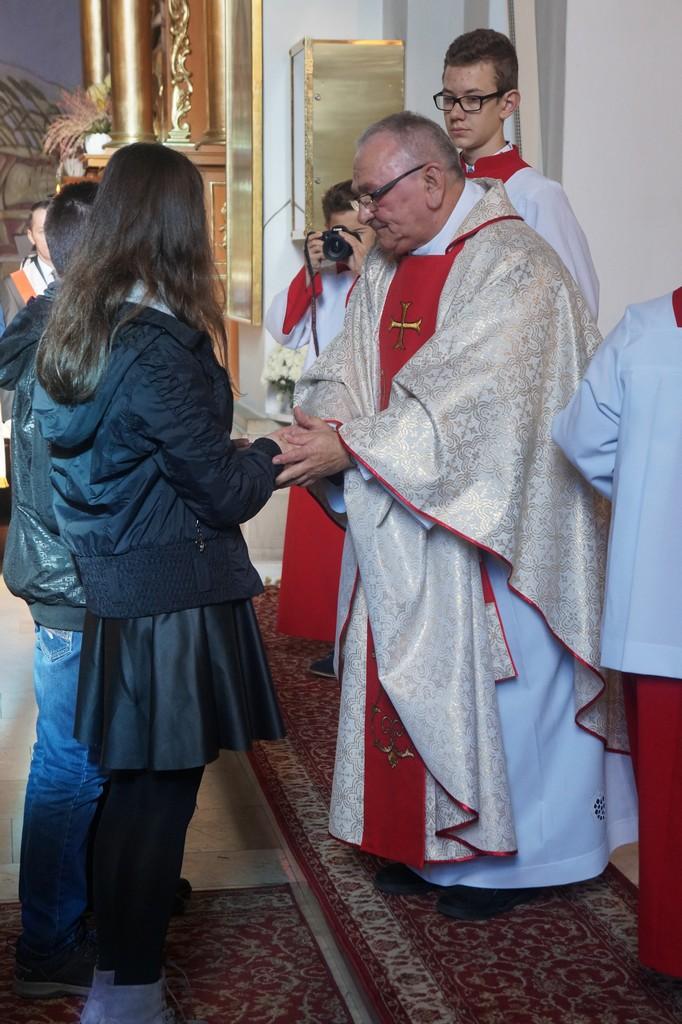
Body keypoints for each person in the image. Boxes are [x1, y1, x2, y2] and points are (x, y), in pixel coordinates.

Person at [273, 112, 637, 921]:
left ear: (432, 181)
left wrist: (350, 447)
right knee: (409, 683)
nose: (366, 213)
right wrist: (327, 423)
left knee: (513, 701)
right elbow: (346, 365)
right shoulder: (386, 264)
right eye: (361, 196)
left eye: (375, 195)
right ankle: (431, 847)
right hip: (405, 520)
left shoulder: (516, 268)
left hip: (502, 536)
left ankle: (523, 864)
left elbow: (478, 410)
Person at [33, 142, 288, 1024]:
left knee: (133, 795)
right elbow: (221, 491)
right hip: (171, 599)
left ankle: (117, 982)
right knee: (158, 804)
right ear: (179, 224)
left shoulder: (83, 323)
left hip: (121, 589)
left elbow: (115, 466)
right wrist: (269, 452)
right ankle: (130, 999)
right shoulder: (156, 347)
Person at [553, 286, 682, 977]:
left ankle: (673, 950)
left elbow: (581, 437)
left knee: (669, 798)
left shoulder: (645, 329)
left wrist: (641, 498)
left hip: (660, 609)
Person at [0, 183, 108, 999]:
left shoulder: (52, 319)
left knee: (82, 755)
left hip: (64, 569)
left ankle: (82, 904)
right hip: (72, 574)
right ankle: (47, 941)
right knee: (69, 764)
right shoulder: (69, 334)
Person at [265, 181, 374, 676]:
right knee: (329, 549)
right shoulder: (322, 282)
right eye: (336, 234)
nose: (344, 244)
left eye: (356, 234)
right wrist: (307, 272)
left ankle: (361, 641)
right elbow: (283, 330)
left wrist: (367, 270)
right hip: (320, 420)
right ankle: (336, 638)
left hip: (366, 422)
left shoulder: (383, 276)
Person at [435, 28, 599, 317]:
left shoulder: (536, 195)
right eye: (449, 99)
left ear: (508, 104)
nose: (456, 113)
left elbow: (577, 304)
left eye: (473, 100)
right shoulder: (437, 189)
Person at [0, 200, 55, 326]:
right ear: (31, 236)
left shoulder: (82, 273)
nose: (50, 237)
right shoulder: (14, 285)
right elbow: (13, 336)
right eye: (42, 231)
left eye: (54, 229)